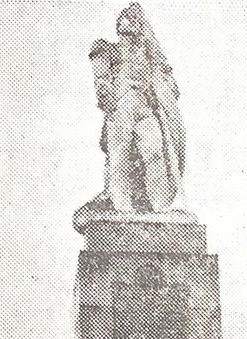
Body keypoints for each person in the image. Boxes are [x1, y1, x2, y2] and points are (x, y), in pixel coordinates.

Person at [87, 4, 186, 213]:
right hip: (121, 105)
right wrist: (107, 97)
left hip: (144, 107)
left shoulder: (147, 54)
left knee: (154, 151)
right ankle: (121, 206)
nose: (130, 33)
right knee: (119, 153)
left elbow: (165, 76)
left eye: (135, 25)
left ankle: (160, 204)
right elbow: (101, 79)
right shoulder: (108, 50)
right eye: (126, 27)